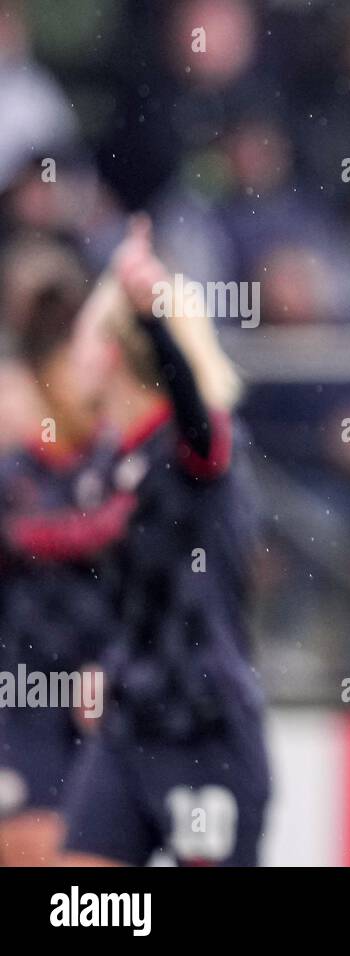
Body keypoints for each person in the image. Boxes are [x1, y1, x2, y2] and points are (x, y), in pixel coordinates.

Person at [60, 216, 270, 866]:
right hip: (129, 727)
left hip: (203, 726)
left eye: (88, 337)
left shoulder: (193, 451)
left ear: (116, 351)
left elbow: (199, 423)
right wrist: (102, 659)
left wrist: (151, 315)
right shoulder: (105, 463)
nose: (75, 355)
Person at [0, 239, 127, 865]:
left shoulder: (123, 471)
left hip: (107, 702)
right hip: (20, 697)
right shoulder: (13, 476)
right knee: (37, 849)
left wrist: (113, 662)